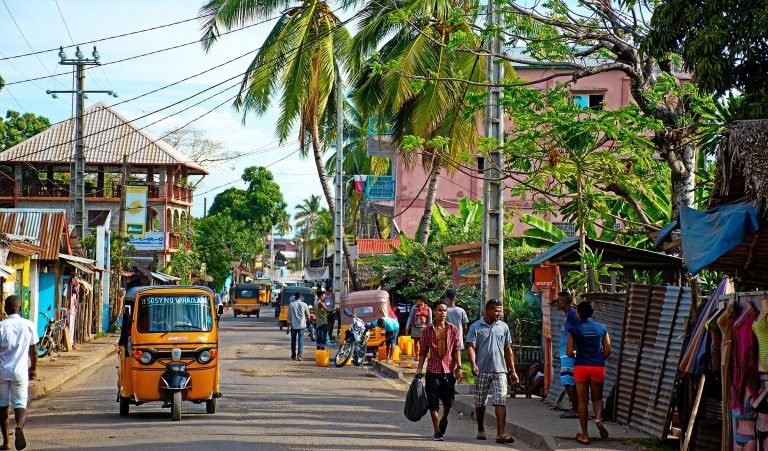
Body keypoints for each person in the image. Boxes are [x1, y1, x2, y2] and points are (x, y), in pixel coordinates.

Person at [466, 299, 519, 444]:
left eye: (500, 311)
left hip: (500, 370)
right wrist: (473, 365)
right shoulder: (476, 327)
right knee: (480, 402)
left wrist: (512, 371)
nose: (499, 313)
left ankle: (500, 433)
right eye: (496, 310)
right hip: (482, 370)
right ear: (487, 310)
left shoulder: (503, 327)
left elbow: (508, 349)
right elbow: (471, 346)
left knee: (500, 400)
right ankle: (480, 429)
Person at [567, 300, 612, 445]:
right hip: (598, 366)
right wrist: (598, 358)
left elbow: (568, 352)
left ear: (578, 313)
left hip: (581, 367)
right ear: (592, 313)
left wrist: (576, 355)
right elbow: (608, 350)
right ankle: (598, 418)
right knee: (597, 398)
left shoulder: (574, 330)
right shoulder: (601, 328)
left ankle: (585, 435)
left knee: (582, 401)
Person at [416, 300, 462, 441]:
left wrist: (459, 368)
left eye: (444, 310)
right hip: (432, 370)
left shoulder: (453, 329)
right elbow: (423, 351)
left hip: (448, 370)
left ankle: (444, 419)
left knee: (448, 402)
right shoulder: (427, 330)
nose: (442, 313)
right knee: (433, 402)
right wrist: (419, 368)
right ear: (434, 312)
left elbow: (456, 350)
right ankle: (437, 431)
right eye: (440, 310)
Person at [0, 295, 38, 450]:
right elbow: (34, 351)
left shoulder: (1, 326)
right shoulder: (28, 325)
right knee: (20, 403)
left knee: (2, 405)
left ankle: (6, 442)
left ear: (5, 309)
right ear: (20, 308)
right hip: (20, 372)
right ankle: (20, 427)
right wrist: (33, 368)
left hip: (2, 372)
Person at [556, 291, 579, 418]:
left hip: (568, 354)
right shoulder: (568, 314)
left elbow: (579, 330)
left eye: (559, 301)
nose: (557, 303)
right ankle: (575, 408)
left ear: (564, 302)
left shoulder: (571, 314)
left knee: (568, 380)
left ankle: (576, 409)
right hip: (566, 353)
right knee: (568, 380)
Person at [287, 292, 310, 361]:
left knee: (293, 341)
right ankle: (299, 355)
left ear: (295, 297)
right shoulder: (304, 305)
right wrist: (308, 323)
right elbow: (308, 316)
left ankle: (293, 355)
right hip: (302, 326)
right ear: (301, 297)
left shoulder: (291, 305)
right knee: (301, 340)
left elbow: (289, 317)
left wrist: (288, 328)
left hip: (294, 326)